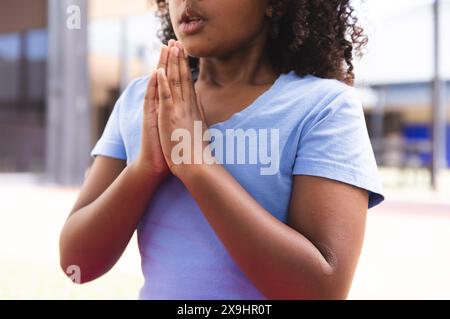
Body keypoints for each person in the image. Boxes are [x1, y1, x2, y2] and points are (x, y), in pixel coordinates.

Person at [59, 0, 385, 299]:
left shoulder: (323, 107)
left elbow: (322, 290)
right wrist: (144, 168)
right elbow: (77, 265)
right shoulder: (142, 101)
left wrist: (198, 166)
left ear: (276, 4)